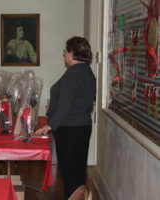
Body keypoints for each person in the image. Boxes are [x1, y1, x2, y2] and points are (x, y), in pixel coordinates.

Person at [35, 36, 96, 199]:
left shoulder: (73, 73)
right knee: (78, 171)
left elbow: (65, 104)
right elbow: (80, 101)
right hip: (83, 127)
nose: (64, 55)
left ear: (72, 53)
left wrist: (50, 124)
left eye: (65, 52)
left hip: (69, 130)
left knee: (69, 174)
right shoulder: (88, 71)